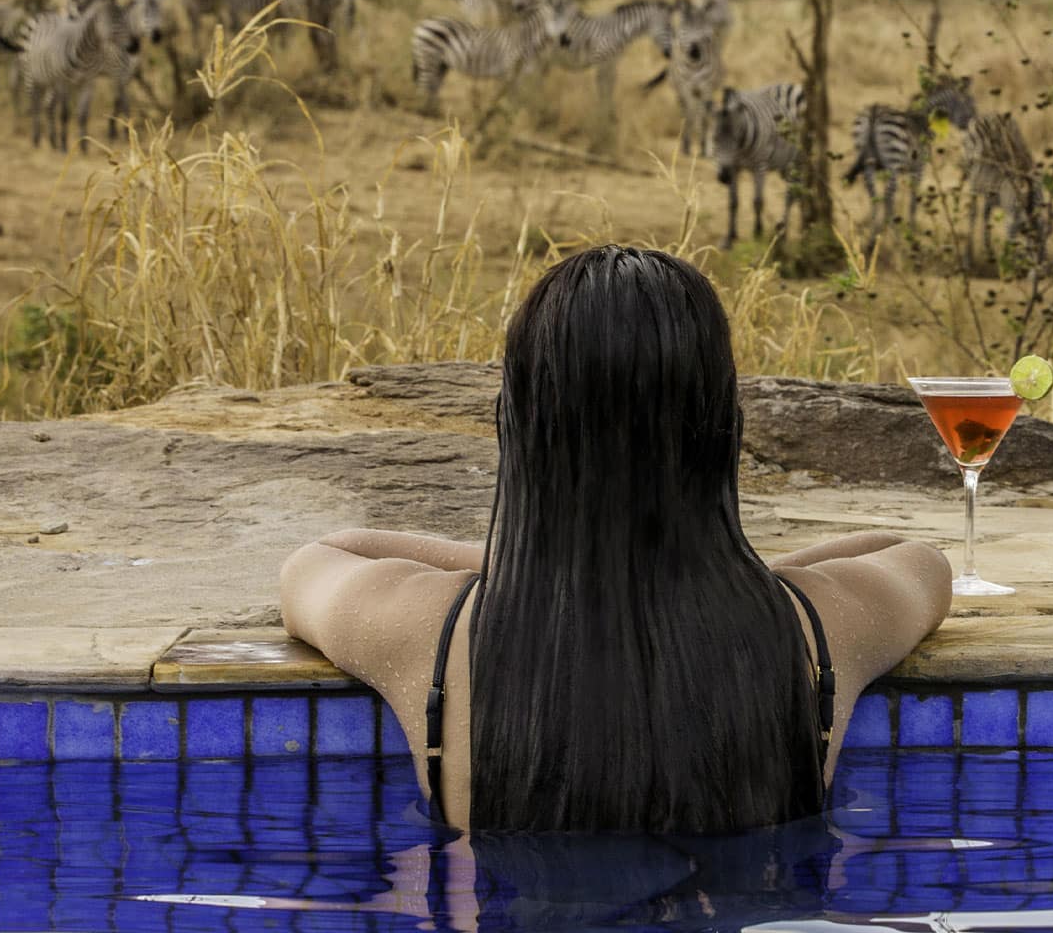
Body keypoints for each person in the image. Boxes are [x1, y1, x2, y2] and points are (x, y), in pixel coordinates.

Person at [281, 245, 952, 834]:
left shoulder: (431, 630)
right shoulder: (816, 624)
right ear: (718, 424)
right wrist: (706, 561)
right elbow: (915, 558)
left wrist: (549, 560)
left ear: (520, 423)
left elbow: (322, 558)